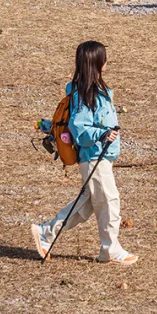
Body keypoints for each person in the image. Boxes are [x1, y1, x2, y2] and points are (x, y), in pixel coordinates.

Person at [31, 40, 138, 265]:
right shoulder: (84, 93)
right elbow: (79, 126)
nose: (107, 61)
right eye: (103, 58)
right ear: (95, 63)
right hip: (94, 156)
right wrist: (101, 135)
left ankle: (46, 233)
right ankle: (111, 249)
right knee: (109, 201)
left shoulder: (95, 89)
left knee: (85, 205)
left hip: (100, 156)